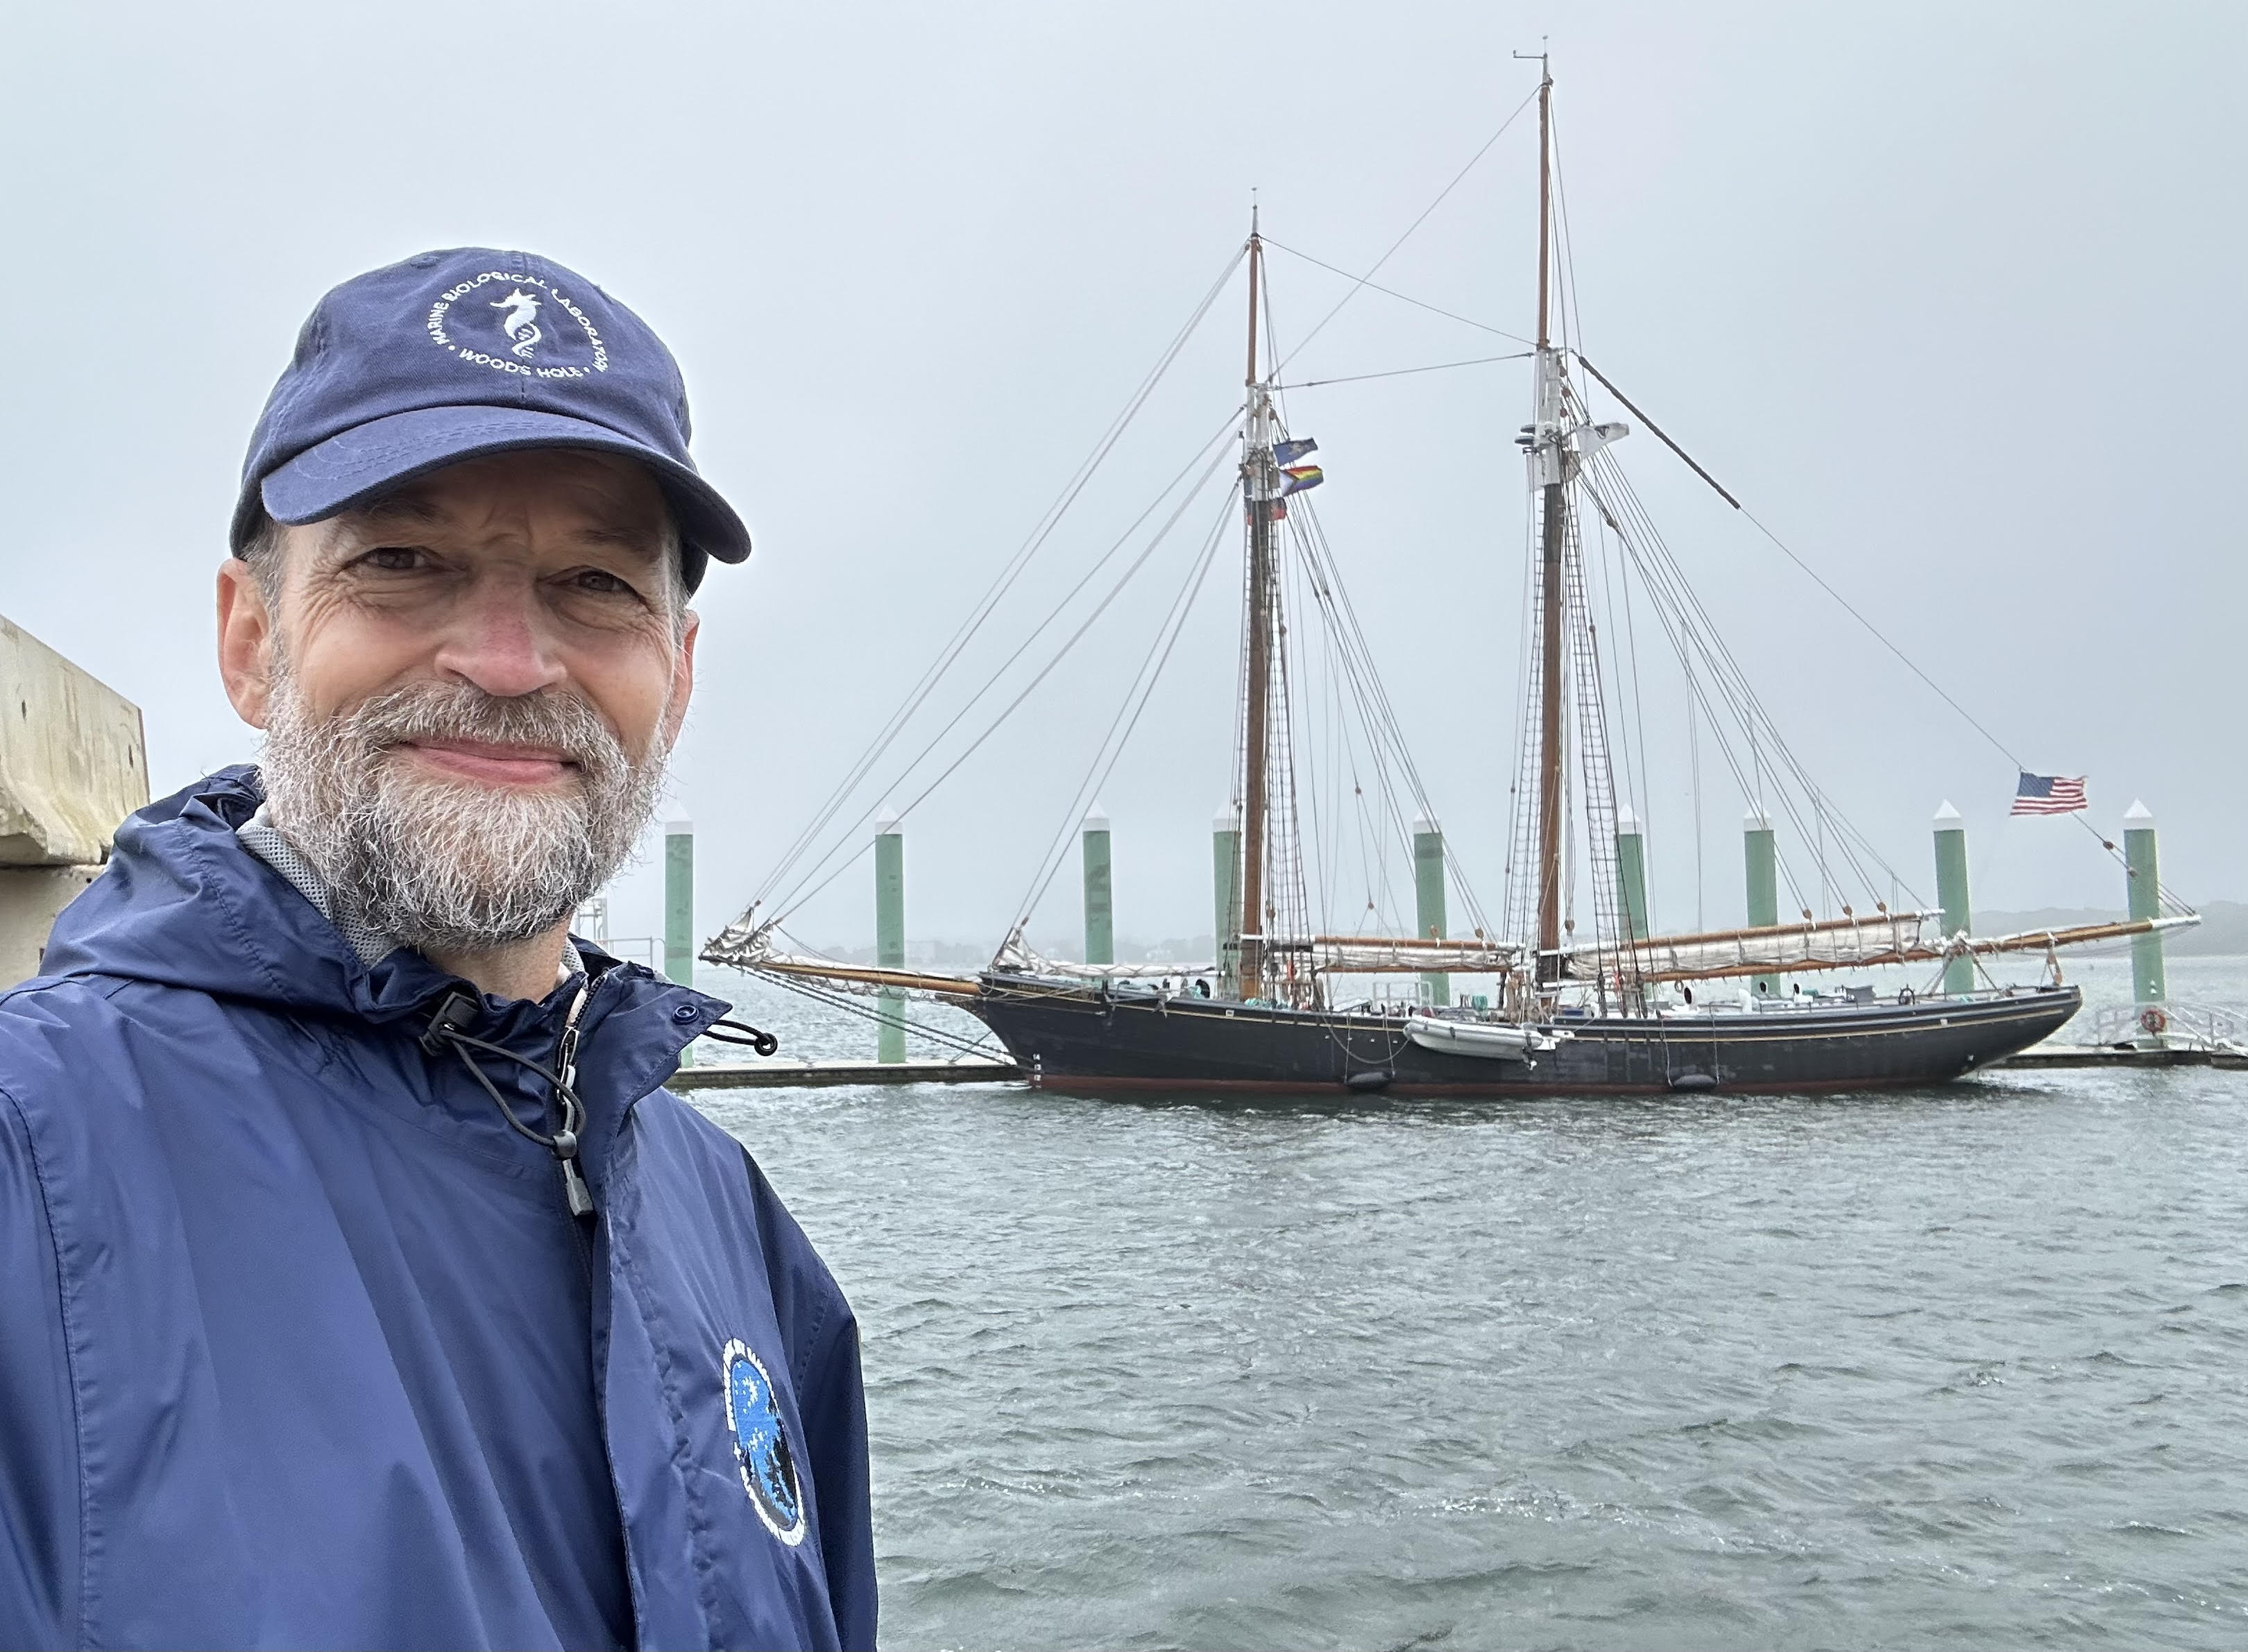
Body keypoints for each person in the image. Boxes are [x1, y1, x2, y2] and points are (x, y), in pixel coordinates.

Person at [0, 250, 876, 1650]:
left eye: (596, 582)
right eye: (402, 563)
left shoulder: (737, 1232)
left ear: (680, 674)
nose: (511, 661)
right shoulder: (29, 1168)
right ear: (251, 640)